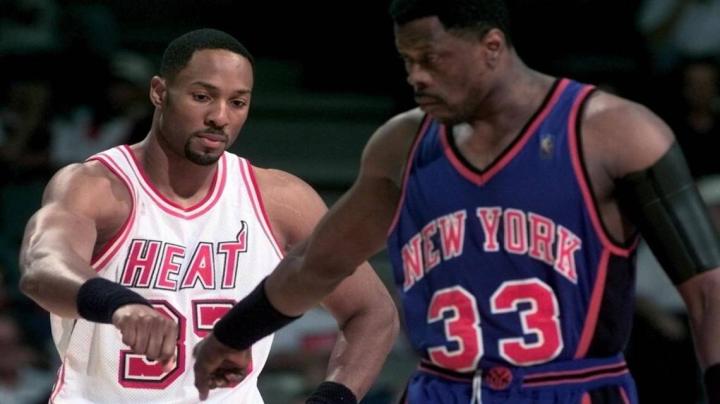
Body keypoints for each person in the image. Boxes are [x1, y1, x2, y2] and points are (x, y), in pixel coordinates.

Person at [192, 1, 720, 403]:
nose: (416, 76)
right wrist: (232, 334)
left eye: (431, 58)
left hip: (569, 387)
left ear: (492, 46)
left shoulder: (614, 132)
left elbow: (708, 291)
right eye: (407, 60)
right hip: (443, 388)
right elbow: (317, 262)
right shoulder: (402, 144)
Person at [18, 28, 398, 403]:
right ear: (159, 92)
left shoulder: (279, 199)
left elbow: (372, 312)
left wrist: (330, 400)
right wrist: (118, 304)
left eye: (238, 102)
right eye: (202, 96)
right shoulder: (95, 185)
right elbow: (41, 267)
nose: (220, 116)